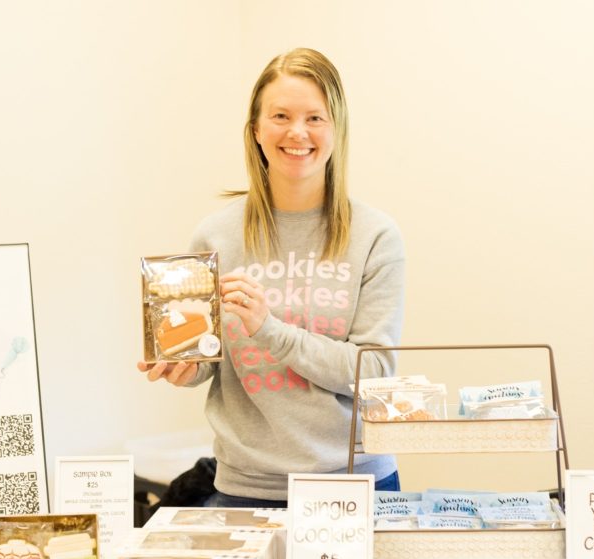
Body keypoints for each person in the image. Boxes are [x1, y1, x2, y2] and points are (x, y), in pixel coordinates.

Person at [138, 47, 405, 507]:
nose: (297, 132)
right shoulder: (216, 234)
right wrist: (182, 368)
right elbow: (207, 360)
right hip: (245, 488)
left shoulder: (375, 235)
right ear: (257, 131)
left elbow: (375, 371)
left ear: (336, 129)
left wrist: (270, 330)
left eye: (315, 118)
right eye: (280, 116)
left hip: (356, 486)